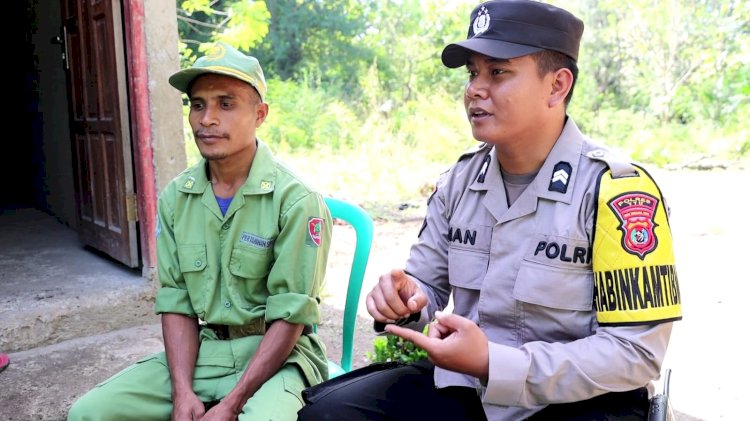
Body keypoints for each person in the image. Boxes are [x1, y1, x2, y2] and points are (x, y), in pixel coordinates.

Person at [297, 1, 682, 420]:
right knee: (331, 413)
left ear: (557, 86)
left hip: (573, 401)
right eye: (472, 73)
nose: (475, 90)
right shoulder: (460, 181)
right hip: (468, 389)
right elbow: (425, 282)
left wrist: (494, 363)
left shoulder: (618, 192)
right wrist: (406, 300)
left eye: (497, 73)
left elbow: (636, 353)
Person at [68, 42, 332, 420]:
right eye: (197, 104)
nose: (206, 119)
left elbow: (291, 317)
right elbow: (177, 302)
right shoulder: (177, 197)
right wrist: (182, 392)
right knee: (90, 413)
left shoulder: (296, 200)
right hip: (205, 353)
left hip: (281, 357)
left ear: (260, 114)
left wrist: (232, 404)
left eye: (226, 104)